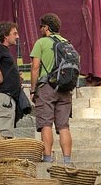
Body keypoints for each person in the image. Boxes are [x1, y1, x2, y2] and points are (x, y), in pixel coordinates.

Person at [30, 13, 73, 165]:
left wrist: (33, 89)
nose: (40, 29)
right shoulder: (67, 43)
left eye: (41, 26)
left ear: (46, 27)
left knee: (46, 124)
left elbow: (35, 68)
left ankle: (47, 158)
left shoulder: (41, 43)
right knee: (63, 126)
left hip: (47, 87)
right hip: (65, 88)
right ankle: (67, 160)